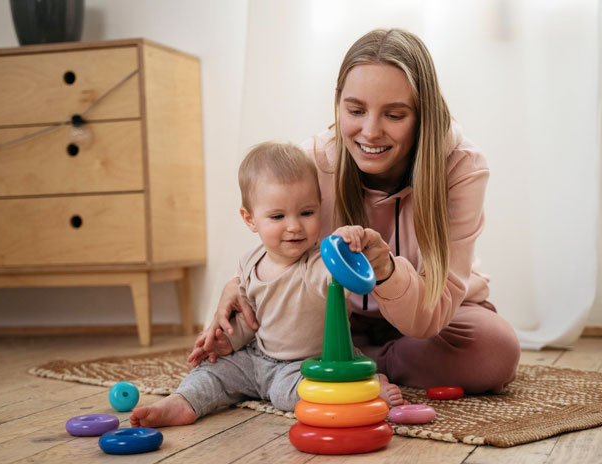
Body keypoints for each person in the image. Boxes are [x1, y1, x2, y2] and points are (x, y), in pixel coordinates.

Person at [203, 29, 521, 395]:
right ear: (337, 102)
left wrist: (385, 271)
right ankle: (353, 358)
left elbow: (430, 318)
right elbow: (278, 241)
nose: (370, 132)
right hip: (338, 316)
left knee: (494, 349)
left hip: (431, 319)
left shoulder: (461, 166)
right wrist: (237, 284)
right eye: (355, 111)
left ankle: (353, 362)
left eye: (395, 115)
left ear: (423, 114)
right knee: (269, 330)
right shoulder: (311, 162)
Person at [131, 142, 403, 428]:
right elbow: (251, 320)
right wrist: (227, 342)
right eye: (277, 217)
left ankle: (363, 388)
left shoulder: (317, 264)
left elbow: (341, 278)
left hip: (308, 364)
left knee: (290, 394)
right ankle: (182, 402)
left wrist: (347, 244)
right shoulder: (250, 262)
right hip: (257, 357)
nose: (294, 226)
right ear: (250, 219)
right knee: (210, 371)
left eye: (306, 213)